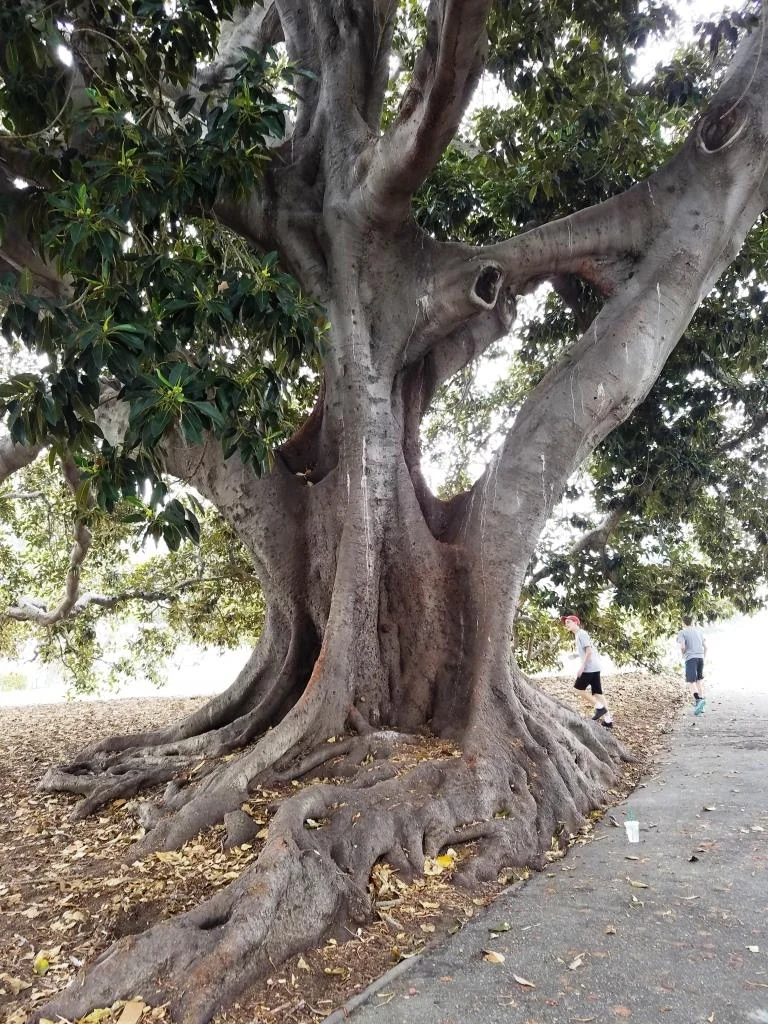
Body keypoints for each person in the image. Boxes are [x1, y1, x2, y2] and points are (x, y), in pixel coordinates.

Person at [562, 615, 613, 728]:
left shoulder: (581, 634)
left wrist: (582, 667)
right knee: (598, 693)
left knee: (578, 689)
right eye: (566, 623)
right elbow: (587, 650)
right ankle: (608, 721)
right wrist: (576, 655)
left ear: (576, 622)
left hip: (589, 667)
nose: (567, 625)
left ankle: (599, 707)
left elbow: (589, 651)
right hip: (595, 666)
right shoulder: (579, 634)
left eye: (569, 622)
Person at [677, 614, 706, 715]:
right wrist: (703, 657)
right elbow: (706, 647)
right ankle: (702, 707)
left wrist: (683, 655)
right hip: (700, 657)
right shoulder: (699, 631)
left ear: (683, 623)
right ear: (692, 622)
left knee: (691, 681)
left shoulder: (682, 632)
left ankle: (698, 700)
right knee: (699, 681)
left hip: (690, 658)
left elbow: (682, 646)